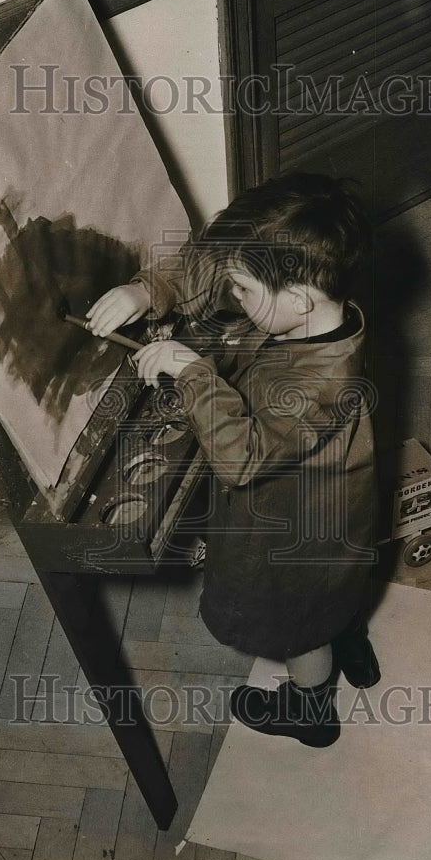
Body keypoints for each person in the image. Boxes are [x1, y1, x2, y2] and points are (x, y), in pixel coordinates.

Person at [87, 173, 380, 748]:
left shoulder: (320, 383)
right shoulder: (304, 307)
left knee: (299, 628)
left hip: (298, 533)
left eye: (244, 290)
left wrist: (194, 373)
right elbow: (205, 270)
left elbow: (242, 458)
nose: (234, 298)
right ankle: (349, 637)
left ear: (295, 298)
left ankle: (310, 712)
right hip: (337, 513)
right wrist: (145, 292)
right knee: (334, 598)